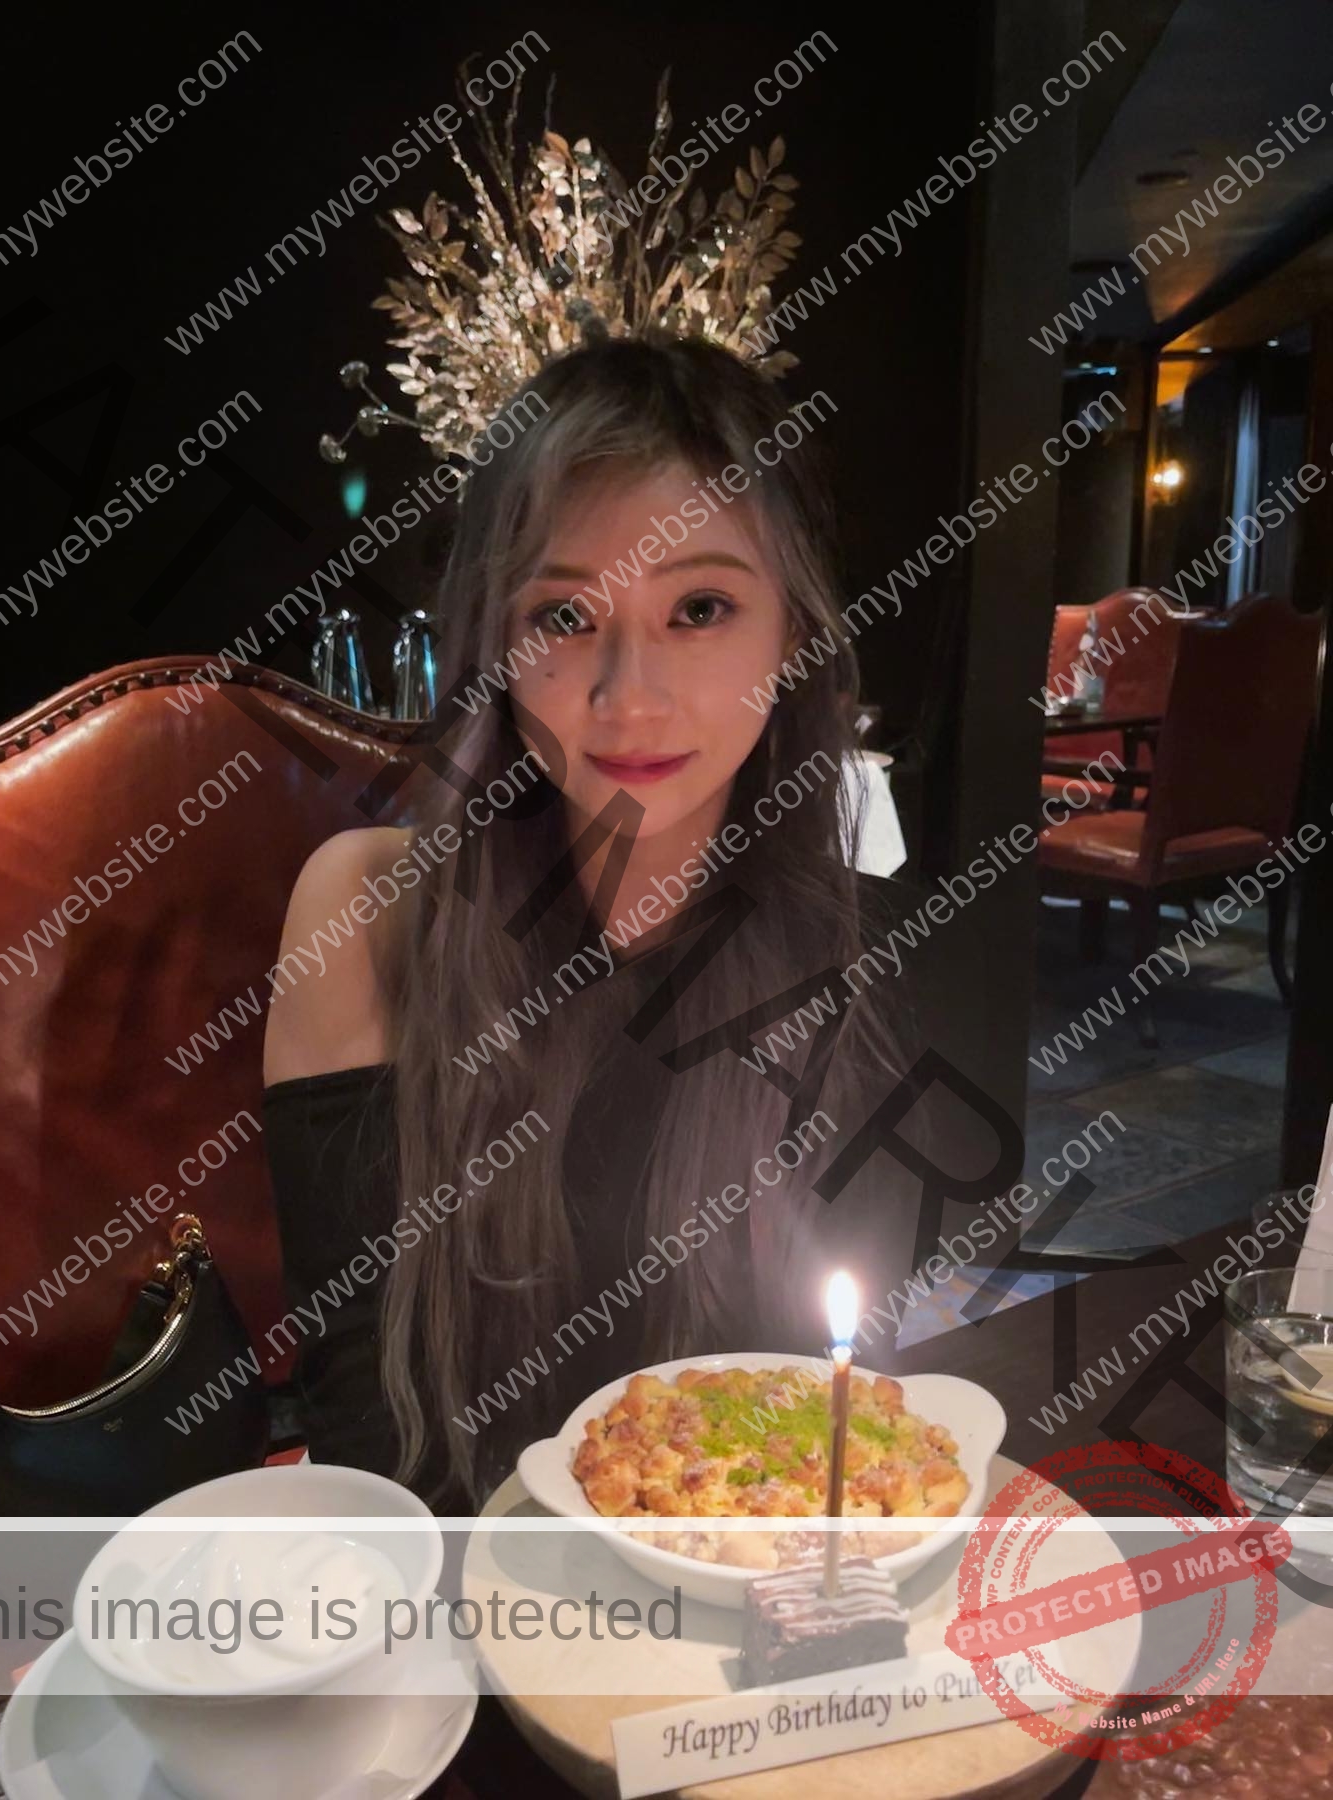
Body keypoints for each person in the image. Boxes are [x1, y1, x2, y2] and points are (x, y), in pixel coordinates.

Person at [262, 331, 910, 1512]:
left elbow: (823, 1409)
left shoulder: (853, 950)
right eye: (562, 618)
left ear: (795, 636)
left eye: (700, 606)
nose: (630, 695)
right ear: (494, 646)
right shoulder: (366, 918)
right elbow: (364, 1413)